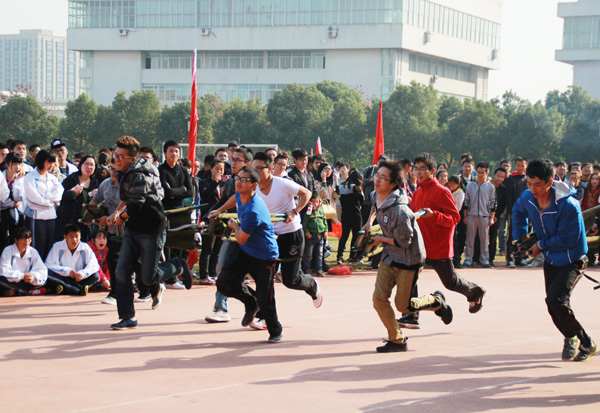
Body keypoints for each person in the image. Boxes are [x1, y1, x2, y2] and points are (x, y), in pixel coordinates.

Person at [512, 159, 598, 362]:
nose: (532, 189)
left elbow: (569, 238)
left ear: (550, 183)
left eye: (537, 184)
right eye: (529, 184)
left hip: (573, 259)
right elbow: (518, 212)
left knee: (556, 300)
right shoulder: (528, 197)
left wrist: (540, 245)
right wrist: (521, 237)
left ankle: (587, 342)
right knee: (552, 305)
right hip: (551, 259)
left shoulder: (568, 205)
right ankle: (570, 337)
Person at [363, 160, 452, 353]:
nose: (377, 180)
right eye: (377, 175)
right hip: (390, 256)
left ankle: (435, 301)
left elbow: (404, 241)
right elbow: (374, 204)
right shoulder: (375, 195)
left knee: (404, 305)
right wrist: (369, 222)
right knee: (379, 299)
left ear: (393, 184)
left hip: (409, 259)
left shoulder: (401, 211)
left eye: (383, 177)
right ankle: (397, 340)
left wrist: (380, 239)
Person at [108, 136, 193, 330]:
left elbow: (136, 205)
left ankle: (178, 266)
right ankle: (127, 317)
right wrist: (117, 212)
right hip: (133, 227)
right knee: (121, 270)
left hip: (151, 228)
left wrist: (119, 217)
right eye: (115, 155)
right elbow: (128, 198)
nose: (116, 159)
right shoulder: (124, 170)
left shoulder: (138, 174)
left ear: (131, 159)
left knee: (149, 278)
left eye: (120, 156)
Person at [402, 153, 485, 330]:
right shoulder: (417, 193)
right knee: (409, 277)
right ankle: (411, 315)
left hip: (439, 247)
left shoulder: (442, 191)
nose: (418, 172)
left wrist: (434, 215)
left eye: (422, 168)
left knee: (451, 282)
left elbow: (454, 218)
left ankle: (474, 291)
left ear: (432, 170)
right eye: (416, 168)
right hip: (420, 246)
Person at [215, 165, 283, 343]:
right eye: (237, 178)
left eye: (244, 180)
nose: (238, 182)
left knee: (265, 297)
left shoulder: (254, 210)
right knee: (224, 282)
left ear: (254, 185)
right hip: (246, 251)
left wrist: (234, 225)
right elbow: (234, 198)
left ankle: (275, 329)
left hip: (264, 256)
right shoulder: (241, 194)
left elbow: (241, 238)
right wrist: (220, 210)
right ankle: (252, 303)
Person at [23, 150, 64, 260]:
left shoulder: (52, 178)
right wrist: (50, 202)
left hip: (51, 218)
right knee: (37, 248)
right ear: (41, 161)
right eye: (49, 162)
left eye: (53, 163)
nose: (52, 166)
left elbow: (59, 193)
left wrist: (47, 197)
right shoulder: (30, 177)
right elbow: (33, 199)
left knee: (49, 248)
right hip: (36, 218)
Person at [45, 224, 101, 295]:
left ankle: (66, 288)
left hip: (80, 279)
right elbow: (49, 265)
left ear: (80, 236)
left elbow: (94, 265)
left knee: (96, 276)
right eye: (71, 236)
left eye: (77, 236)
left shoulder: (85, 247)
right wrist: (67, 271)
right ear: (65, 237)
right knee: (47, 273)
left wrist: (82, 273)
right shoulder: (57, 246)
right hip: (63, 277)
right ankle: (78, 289)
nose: (74, 240)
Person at [55, 155, 100, 242]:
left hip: (85, 223)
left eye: (92, 165)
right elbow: (59, 195)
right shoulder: (72, 179)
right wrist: (73, 193)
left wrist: (96, 195)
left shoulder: (95, 182)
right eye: (86, 164)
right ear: (81, 165)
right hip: (68, 219)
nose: (89, 167)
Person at [198, 159, 228, 285]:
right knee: (207, 248)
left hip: (222, 218)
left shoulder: (225, 183)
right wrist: (215, 182)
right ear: (211, 169)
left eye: (221, 169)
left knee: (217, 249)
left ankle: (213, 273)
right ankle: (203, 276)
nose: (219, 172)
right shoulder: (204, 182)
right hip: (209, 217)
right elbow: (205, 195)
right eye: (217, 169)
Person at [463, 161, 496, 268]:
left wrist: (491, 218)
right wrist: (465, 216)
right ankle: (468, 259)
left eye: (482, 173)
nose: (480, 175)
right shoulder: (470, 185)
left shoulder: (490, 187)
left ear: (487, 172)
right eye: (478, 172)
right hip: (471, 215)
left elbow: (493, 203)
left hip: (484, 216)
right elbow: (466, 202)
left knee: (484, 240)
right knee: (470, 239)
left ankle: (484, 260)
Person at [0, 227, 47, 296]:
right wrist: (22, 276)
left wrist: (32, 276)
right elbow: (3, 271)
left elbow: (42, 270)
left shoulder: (33, 251)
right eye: (23, 238)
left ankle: (18, 291)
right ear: (16, 240)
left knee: (44, 281)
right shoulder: (8, 250)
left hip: (27, 282)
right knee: (2, 280)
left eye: (29, 238)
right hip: (12, 280)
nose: (27, 241)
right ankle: (28, 292)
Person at [336, 169, 364, 265]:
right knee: (355, 236)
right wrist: (361, 191)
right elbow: (362, 201)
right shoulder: (355, 188)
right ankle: (352, 256)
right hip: (355, 214)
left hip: (345, 214)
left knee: (344, 236)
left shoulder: (342, 186)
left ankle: (339, 256)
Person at [505, 156, 529, 268]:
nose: (520, 167)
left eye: (522, 165)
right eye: (518, 165)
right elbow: (508, 198)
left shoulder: (528, 180)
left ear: (526, 166)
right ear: (515, 166)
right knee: (512, 236)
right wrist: (511, 212)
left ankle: (520, 258)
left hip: (526, 212)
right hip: (515, 212)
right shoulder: (511, 180)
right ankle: (510, 259)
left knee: (524, 237)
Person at [0, 153, 26, 251]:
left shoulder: (22, 179)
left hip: (18, 214)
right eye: (15, 164)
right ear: (7, 164)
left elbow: (20, 198)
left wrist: (17, 181)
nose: (17, 167)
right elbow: (3, 199)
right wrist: (12, 203)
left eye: (19, 164)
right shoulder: (1, 177)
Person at [302, 197, 328, 277]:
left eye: (316, 202)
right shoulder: (308, 213)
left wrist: (325, 232)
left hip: (320, 236)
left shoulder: (321, 212)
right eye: (312, 202)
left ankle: (319, 270)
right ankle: (307, 269)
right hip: (311, 237)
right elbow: (304, 224)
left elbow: (325, 224)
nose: (314, 204)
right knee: (308, 254)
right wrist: (307, 232)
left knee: (319, 254)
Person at [488, 167, 507, 265]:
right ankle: (478, 259)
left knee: (493, 238)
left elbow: (502, 205)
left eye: (502, 177)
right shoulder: (487, 186)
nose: (500, 178)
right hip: (483, 215)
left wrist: (496, 216)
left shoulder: (504, 189)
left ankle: (491, 259)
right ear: (494, 175)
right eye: (498, 176)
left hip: (495, 217)